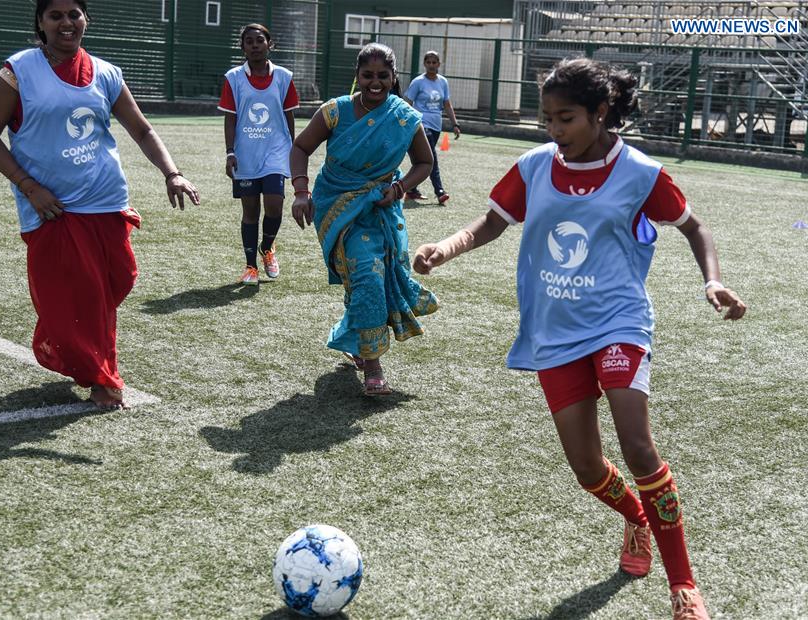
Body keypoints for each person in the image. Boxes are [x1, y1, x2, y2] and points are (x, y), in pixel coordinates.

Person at [412, 58, 746, 620]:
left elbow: (694, 226)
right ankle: (637, 521)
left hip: (618, 322)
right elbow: (491, 222)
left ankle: (684, 587)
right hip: (555, 332)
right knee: (587, 469)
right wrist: (446, 247)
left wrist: (712, 280)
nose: (554, 131)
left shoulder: (641, 172)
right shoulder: (534, 166)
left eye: (565, 118)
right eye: (548, 119)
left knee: (637, 445)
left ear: (600, 112)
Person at [0, 0, 200, 410]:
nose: (66, 23)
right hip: (53, 209)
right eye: (55, 15)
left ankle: (85, 357)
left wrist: (173, 173)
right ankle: (104, 378)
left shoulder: (107, 73)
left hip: (107, 202)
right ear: (40, 23)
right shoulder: (18, 71)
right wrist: (29, 187)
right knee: (81, 297)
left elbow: (142, 129)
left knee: (115, 281)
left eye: (74, 14)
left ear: (86, 20)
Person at [289, 43, 437, 395]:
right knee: (366, 272)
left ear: (393, 77)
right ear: (357, 76)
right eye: (367, 75)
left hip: (380, 207)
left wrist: (400, 188)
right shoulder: (335, 111)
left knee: (366, 273)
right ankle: (373, 364)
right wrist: (300, 191)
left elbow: (425, 163)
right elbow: (300, 148)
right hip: (336, 205)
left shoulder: (403, 116)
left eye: (382, 76)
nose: (375, 82)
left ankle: (358, 341)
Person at [220, 23, 298, 285]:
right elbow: (230, 120)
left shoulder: (285, 77)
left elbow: (289, 117)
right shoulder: (233, 78)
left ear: (269, 44)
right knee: (250, 211)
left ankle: (268, 248)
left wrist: (295, 151)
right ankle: (250, 265)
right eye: (249, 41)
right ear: (242, 47)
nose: (255, 45)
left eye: (259, 40)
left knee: (275, 205)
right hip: (246, 154)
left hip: (276, 151)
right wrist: (230, 152)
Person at [403, 50, 460, 204]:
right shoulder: (418, 82)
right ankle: (439, 191)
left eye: (434, 62)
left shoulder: (443, 82)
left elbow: (447, 104)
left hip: (436, 126)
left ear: (439, 64)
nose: (431, 65)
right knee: (432, 157)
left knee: (422, 160)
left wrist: (455, 124)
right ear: (424, 64)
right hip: (422, 124)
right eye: (428, 62)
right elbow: (407, 102)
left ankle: (411, 189)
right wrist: (408, 121)